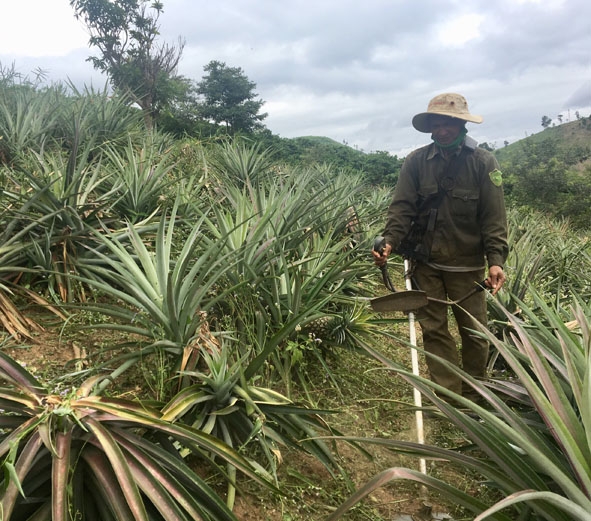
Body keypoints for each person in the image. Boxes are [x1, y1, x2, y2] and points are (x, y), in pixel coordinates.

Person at [372, 92, 508, 401]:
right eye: (437, 123)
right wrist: (390, 241)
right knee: (434, 329)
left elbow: (493, 217)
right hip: (426, 262)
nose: (441, 129)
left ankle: (475, 395)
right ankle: (449, 397)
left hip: (467, 266)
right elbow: (401, 208)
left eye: (448, 123)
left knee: (474, 332)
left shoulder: (483, 162)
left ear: (461, 124)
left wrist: (496, 260)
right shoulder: (416, 162)